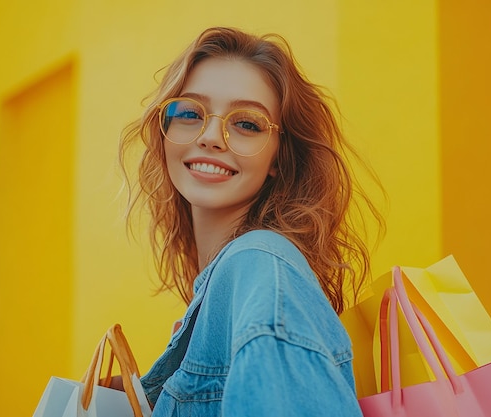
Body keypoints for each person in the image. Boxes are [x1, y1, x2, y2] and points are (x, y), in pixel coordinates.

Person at [119, 26, 383, 417]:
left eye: (247, 124)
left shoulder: (261, 266)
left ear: (279, 157)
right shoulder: (229, 288)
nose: (211, 136)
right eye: (190, 113)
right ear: (165, 131)